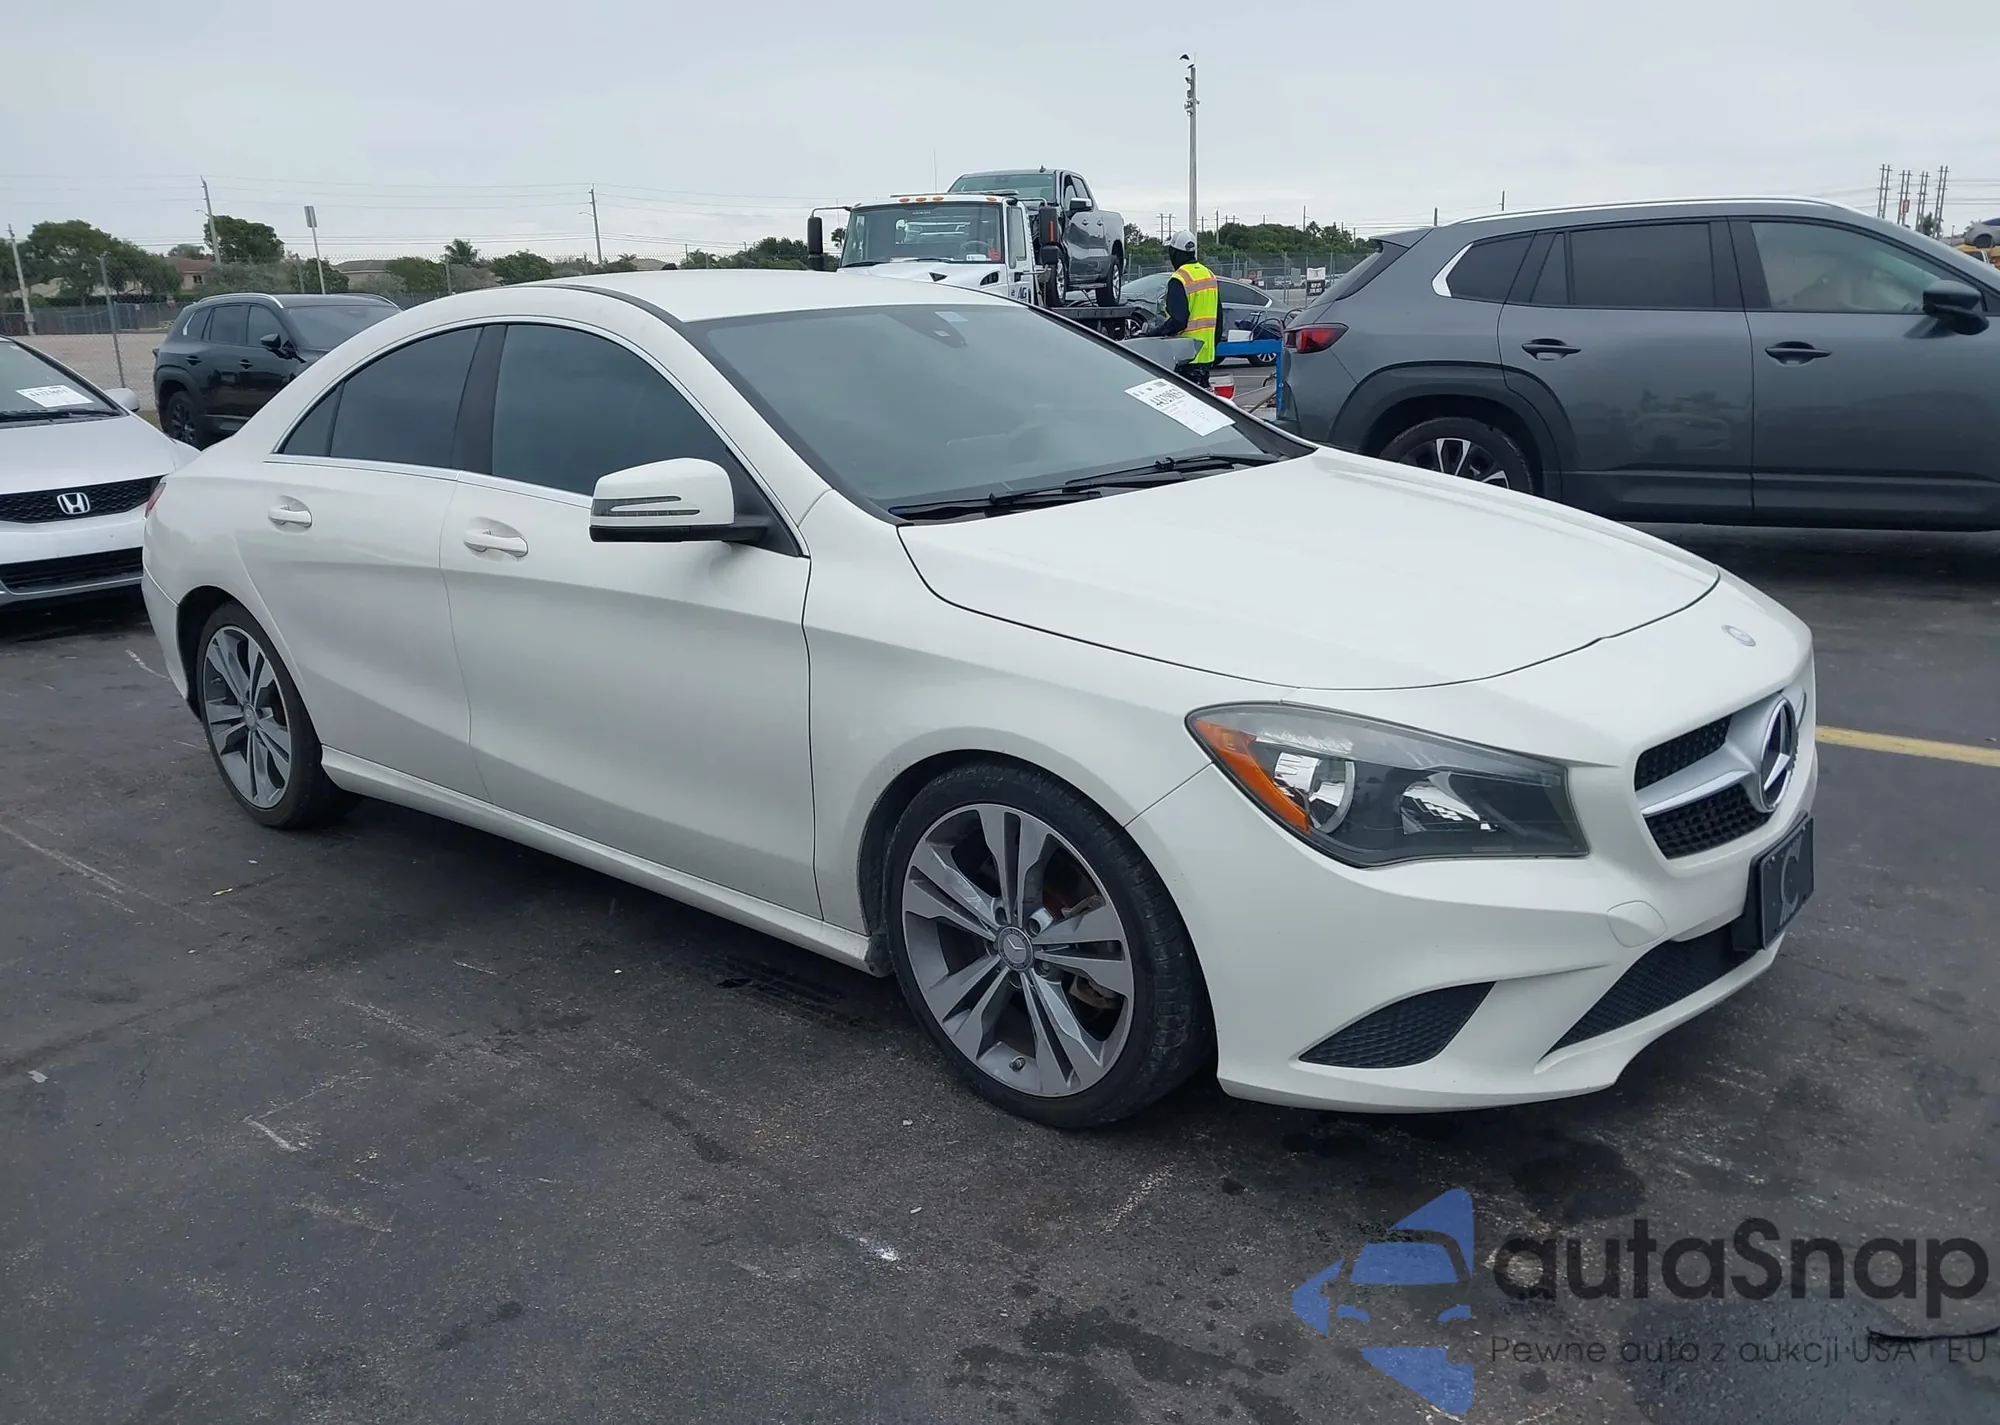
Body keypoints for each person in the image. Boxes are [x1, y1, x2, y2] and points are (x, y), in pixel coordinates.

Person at [1141, 229, 1219, 386]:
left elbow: (1178, 321)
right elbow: (1219, 318)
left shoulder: (1179, 279)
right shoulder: (1209, 275)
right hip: (1206, 356)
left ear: (1174, 253)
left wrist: (1154, 334)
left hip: (1185, 357)